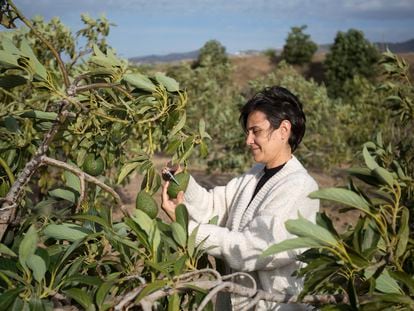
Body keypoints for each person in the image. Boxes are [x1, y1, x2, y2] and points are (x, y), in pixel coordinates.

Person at [161, 86, 320, 310]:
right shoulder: (255, 175)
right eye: (247, 132)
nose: (248, 140)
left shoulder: (299, 187)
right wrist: (182, 184)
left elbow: (252, 249)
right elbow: (214, 207)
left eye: (256, 131)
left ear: (284, 130)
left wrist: (186, 229)